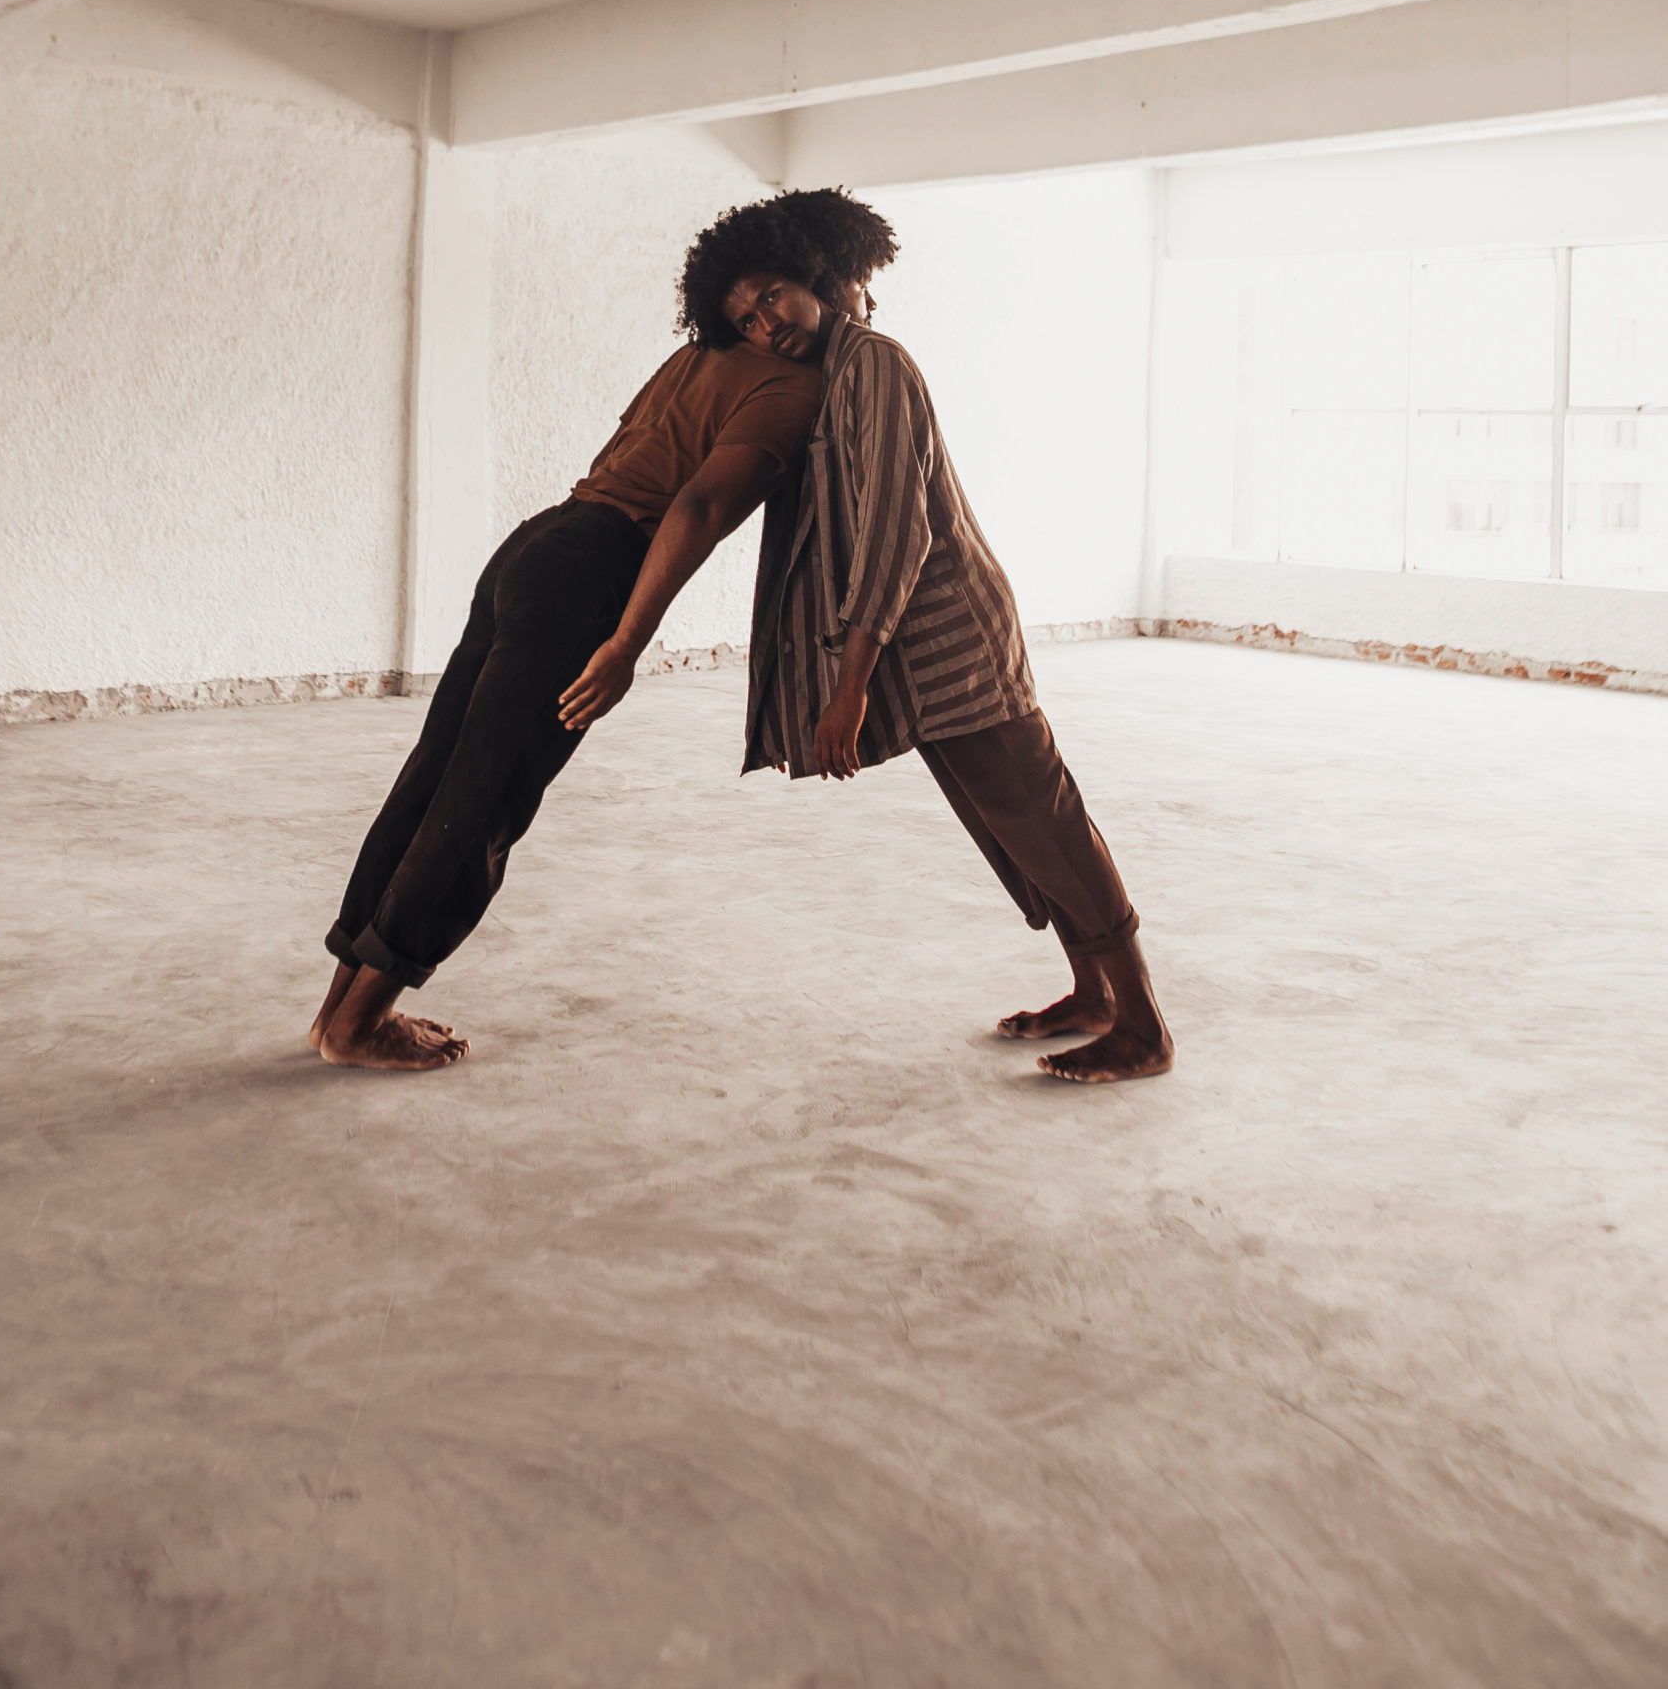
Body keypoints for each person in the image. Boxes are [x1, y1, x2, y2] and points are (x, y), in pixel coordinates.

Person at [673, 189, 1171, 1085]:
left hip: (951, 637)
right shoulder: (831, 374)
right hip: (917, 651)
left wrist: (849, 687)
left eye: (773, 296)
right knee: (1014, 827)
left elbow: (894, 530)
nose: (766, 325)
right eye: (745, 318)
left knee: (1042, 816)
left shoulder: (875, 363)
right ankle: (1094, 994)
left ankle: (1142, 1026)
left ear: (813, 275)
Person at [309, 327, 822, 1069]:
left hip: (541, 543)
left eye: (776, 296)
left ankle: (337, 1014)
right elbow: (700, 507)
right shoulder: (796, 382)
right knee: (484, 801)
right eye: (756, 301)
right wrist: (627, 642)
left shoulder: (704, 352)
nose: (769, 319)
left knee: (437, 780)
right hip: (590, 572)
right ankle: (358, 1024)